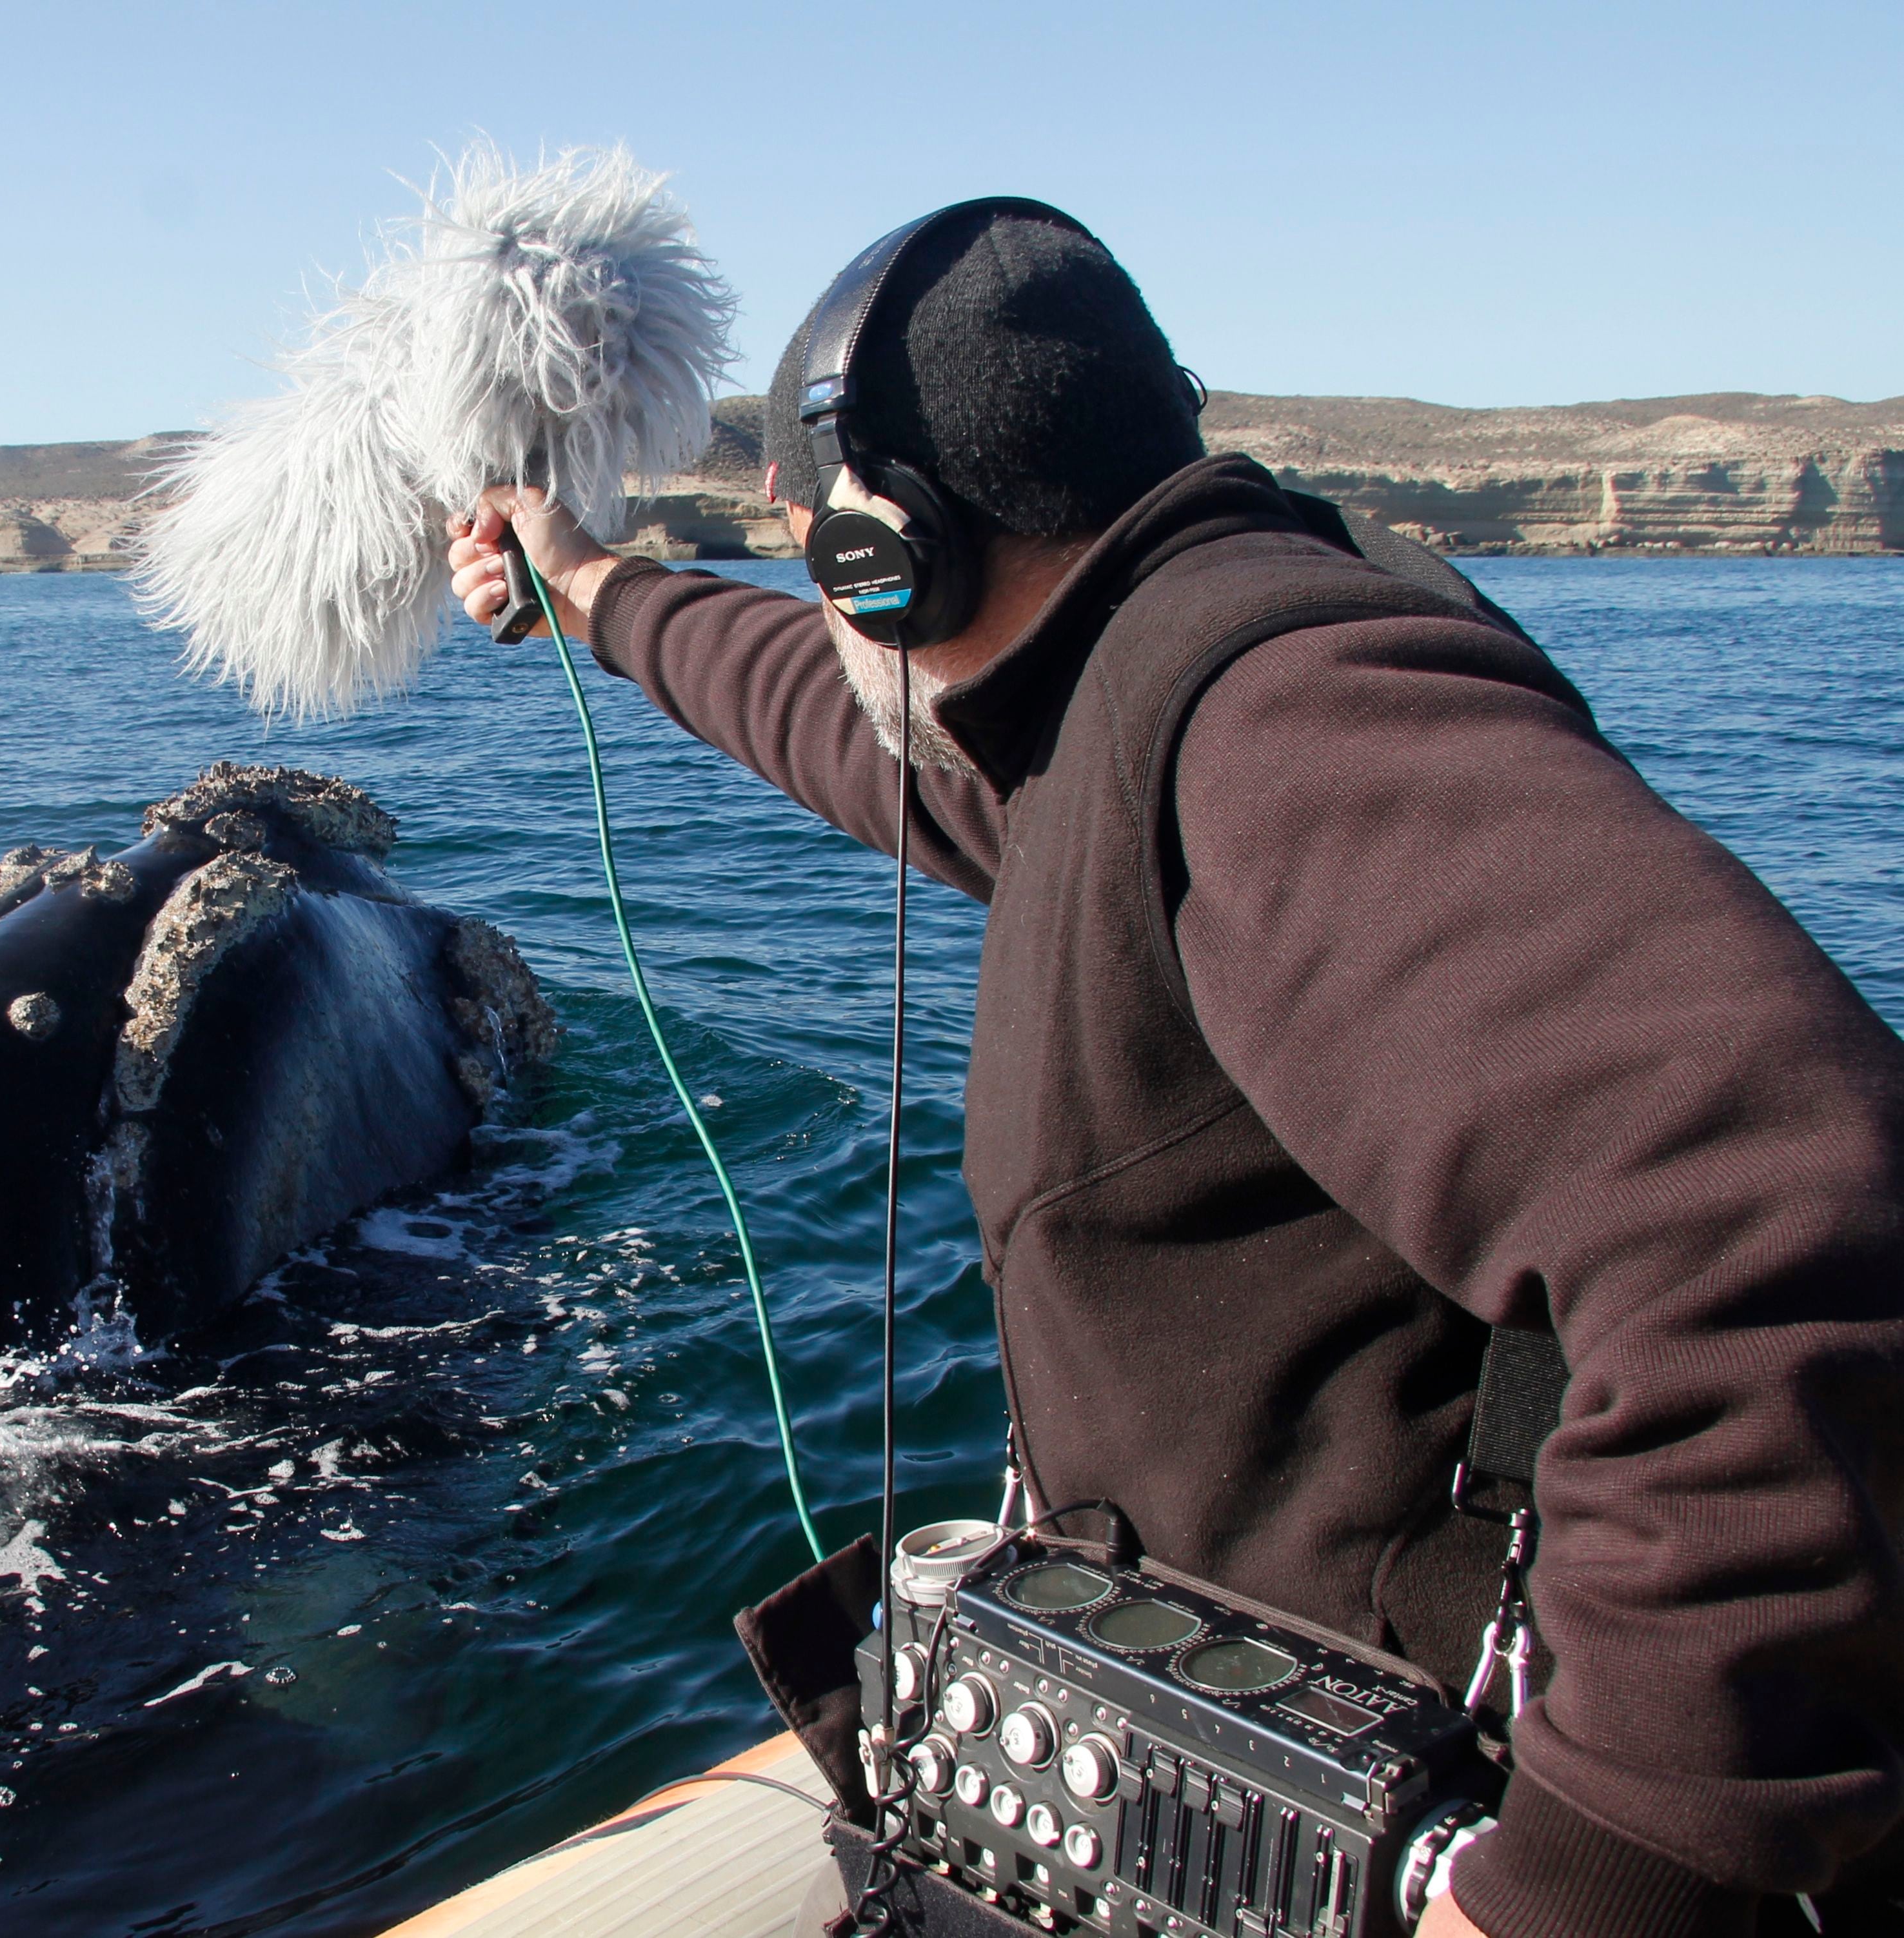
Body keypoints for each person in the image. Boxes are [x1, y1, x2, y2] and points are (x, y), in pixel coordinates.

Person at [444, 203, 1904, 1938]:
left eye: (803, 546)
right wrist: (596, 589)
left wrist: (1589, 1881)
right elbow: (832, 716)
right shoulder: (1114, 688)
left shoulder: (1283, 728)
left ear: (876, 550)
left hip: (1448, 1817)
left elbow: (1787, 1220)